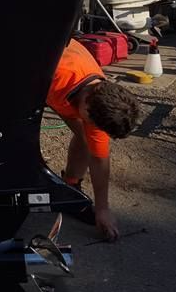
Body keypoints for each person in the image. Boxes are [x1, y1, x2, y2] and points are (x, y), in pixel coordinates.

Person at [46, 38, 141, 241]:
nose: (95, 130)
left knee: (86, 137)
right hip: (34, 64)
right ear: (88, 105)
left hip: (61, 85)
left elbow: (99, 158)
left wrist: (102, 208)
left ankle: (69, 189)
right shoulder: (57, 75)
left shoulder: (100, 98)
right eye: (94, 123)